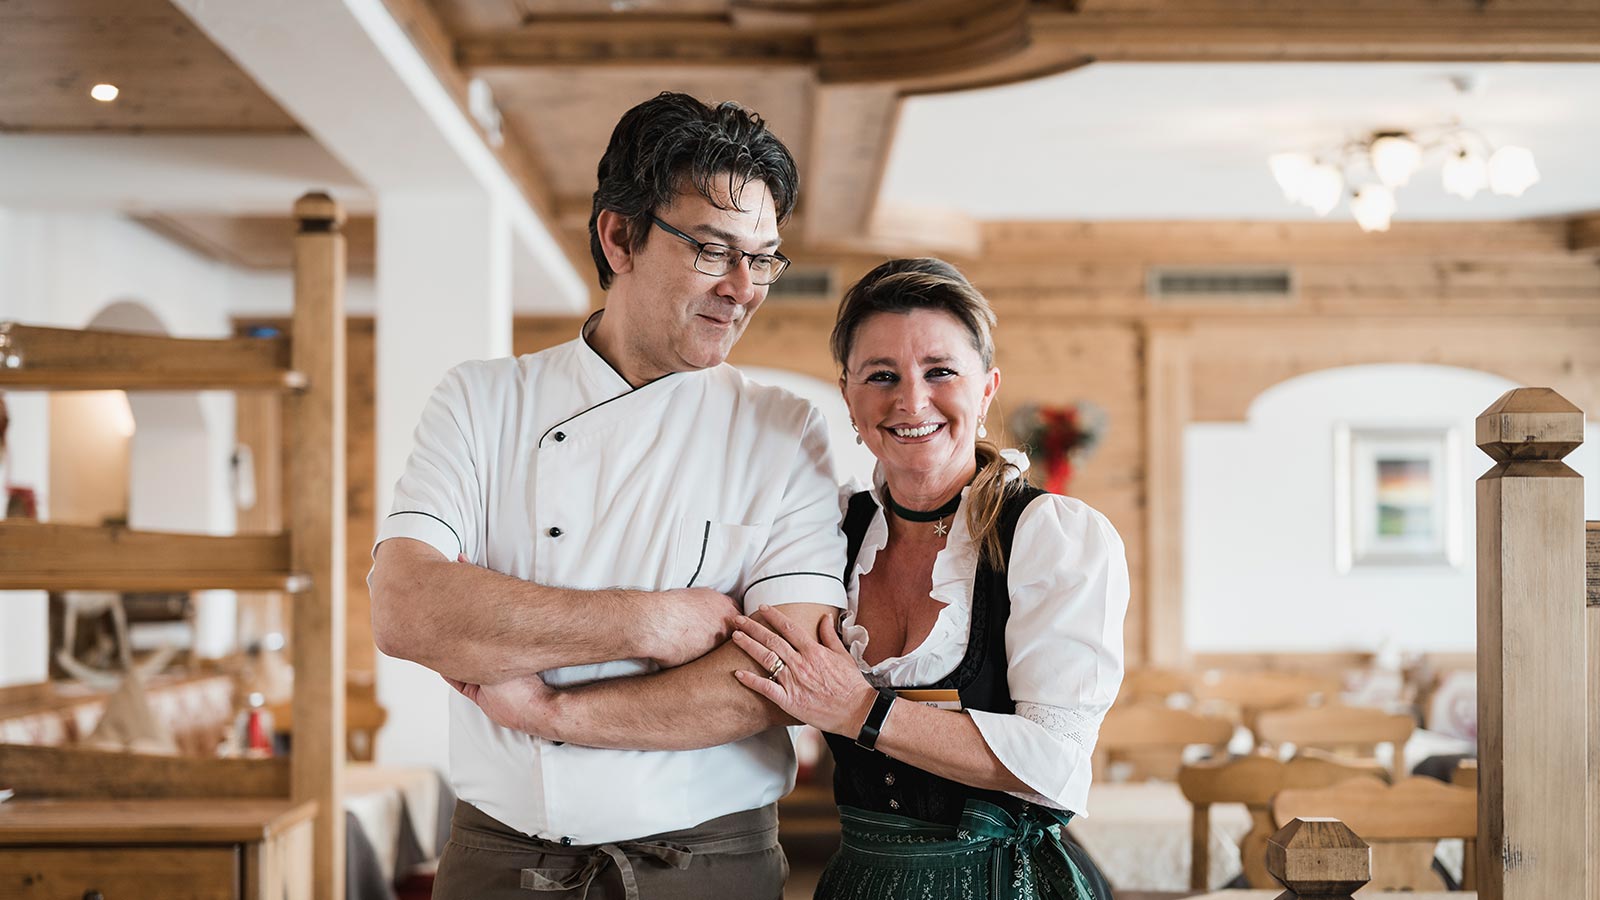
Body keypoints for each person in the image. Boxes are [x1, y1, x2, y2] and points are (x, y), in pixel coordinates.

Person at [367, 92, 847, 899]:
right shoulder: (483, 401)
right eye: (712, 249)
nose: (744, 287)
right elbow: (406, 608)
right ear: (619, 236)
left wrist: (548, 714)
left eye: (762, 257)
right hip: (498, 866)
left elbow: (777, 677)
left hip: (707, 869)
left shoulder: (783, 429)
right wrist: (653, 622)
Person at [730, 258, 1128, 898]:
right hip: (863, 875)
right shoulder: (827, 531)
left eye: (940, 371)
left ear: (988, 387)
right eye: (880, 376)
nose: (911, 400)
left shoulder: (1051, 537)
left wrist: (862, 709)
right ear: (849, 397)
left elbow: (1053, 763)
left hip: (1005, 882)